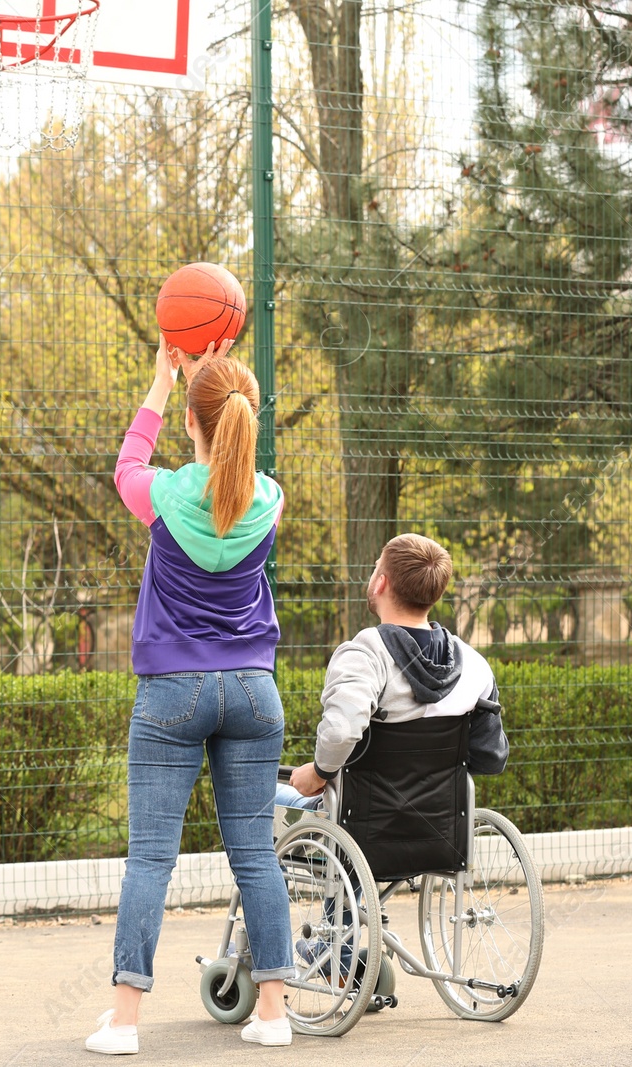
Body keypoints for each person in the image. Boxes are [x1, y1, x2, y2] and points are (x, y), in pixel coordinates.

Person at [85, 338, 295, 1055]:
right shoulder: (269, 500)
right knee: (256, 856)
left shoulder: (168, 494)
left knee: (151, 859)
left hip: (173, 691)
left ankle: (123, 1024)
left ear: (191, 423)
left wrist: (165, 381)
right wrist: (217, 378)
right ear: (250, 420)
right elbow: (237, 457)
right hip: (253, 692)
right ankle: (273, 1013)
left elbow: (125, 467)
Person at [279, 533, 498, 809]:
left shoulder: (365, 655)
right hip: (441, 830)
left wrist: (318, 772)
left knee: (265, 798)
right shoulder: (474, 665)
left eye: (375, 567)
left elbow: (340, 733)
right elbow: (490, 756)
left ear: (381, 582)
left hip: (357, 823)